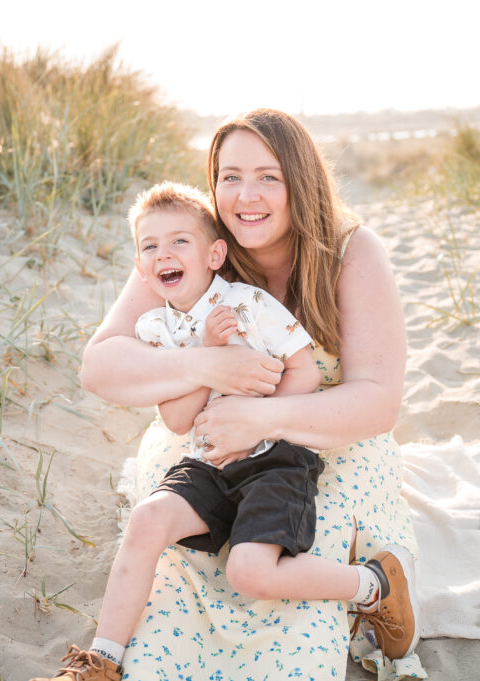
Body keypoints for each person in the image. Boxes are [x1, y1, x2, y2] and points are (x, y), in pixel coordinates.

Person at [75, 109, 419, 680]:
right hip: (207, 442)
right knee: (173, 591)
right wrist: (209, 362)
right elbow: (99, 367)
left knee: (284, 593)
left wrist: (260, 418)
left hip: (324, 443)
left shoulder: (351, 251)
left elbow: (379, 402)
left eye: (268, 177)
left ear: (300, 181)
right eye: (230, 177)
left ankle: (375, 587)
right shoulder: (192, 242)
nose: (246, 196)